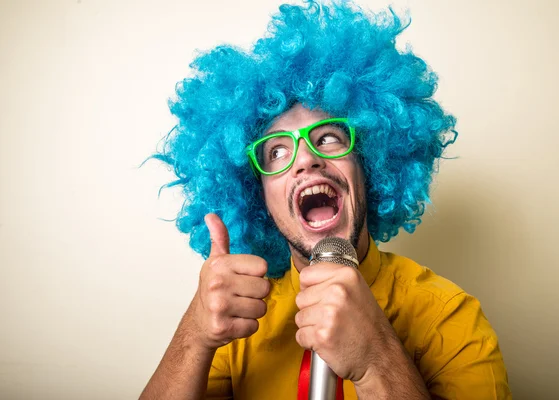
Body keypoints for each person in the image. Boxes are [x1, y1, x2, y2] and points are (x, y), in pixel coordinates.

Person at [140, 1, 511, 399]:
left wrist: (376, 359)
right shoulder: (236, 320)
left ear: (370, 165)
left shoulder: (449, 317)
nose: (306, 159)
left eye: (329, 138)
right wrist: (194, 334)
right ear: (255, 193)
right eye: (277, 152)